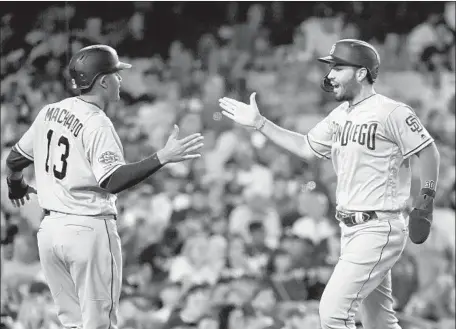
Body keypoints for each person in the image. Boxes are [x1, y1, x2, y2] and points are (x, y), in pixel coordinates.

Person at [219, 38, 440, 329]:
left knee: (333, 314)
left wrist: (426, 200)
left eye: (338, 67)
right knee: (380, 322)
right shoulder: (340, 115)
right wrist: (261, 123)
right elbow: (306, 147)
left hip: (378, 226)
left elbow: (428, 150)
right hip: (351, 230)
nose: (330, 75)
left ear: (361, 73)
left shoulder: (391, 111)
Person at [5, 45, 204, 329]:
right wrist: (163, 157)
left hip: (49, 233)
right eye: (115, 73)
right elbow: (112, 180)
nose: (120, 79)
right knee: (100, 325)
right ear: (102, 81)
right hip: (88, 230)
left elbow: (14, 160)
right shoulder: (97, 123)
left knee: (71, 324)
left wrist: (16, 186)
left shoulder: (50, 112)